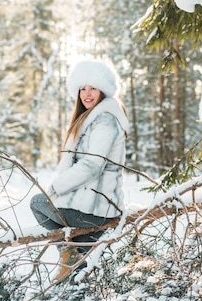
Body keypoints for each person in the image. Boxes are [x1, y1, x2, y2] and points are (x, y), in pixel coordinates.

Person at [30, 58, 129, 282]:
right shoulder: (91, 118)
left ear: (103, 90)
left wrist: (56, 187)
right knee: (78, 271)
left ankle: (69, 255)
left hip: (96, 210)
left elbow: (92, 166)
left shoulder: (105, 120)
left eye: (93, 87)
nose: (87, 93)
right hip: (95, 207)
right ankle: (74, 262)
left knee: (38, 202)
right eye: (82, 88)